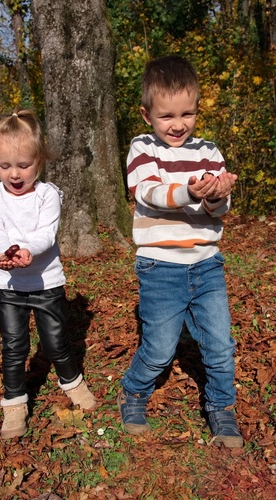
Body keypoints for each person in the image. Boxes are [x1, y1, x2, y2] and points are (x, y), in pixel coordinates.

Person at [117, 55, 243, 448]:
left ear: (197, 110)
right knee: (159, 349)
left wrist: (217, 195)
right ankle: (133, 390)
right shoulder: (142, 148)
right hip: (160, 267)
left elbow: (218, 212)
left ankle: (222, 409)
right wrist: (190, 190)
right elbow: (148, 192)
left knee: (221, 344)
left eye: (187, 113)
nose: (178, 124)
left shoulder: (209, 151)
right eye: (167, 115)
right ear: (147, 114)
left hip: (207, 263)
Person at [0, 108, 96, 440]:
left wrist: (28, 251)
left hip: (46, 283)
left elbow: (47, 234)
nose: (14, 174)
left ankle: (71, 381)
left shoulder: (47, 195)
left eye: (23, 165)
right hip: (9, 285)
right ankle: (14, 403)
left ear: (39, 161)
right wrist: (6, 252)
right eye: (4, 166)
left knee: (56, 342)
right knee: (14, 345)